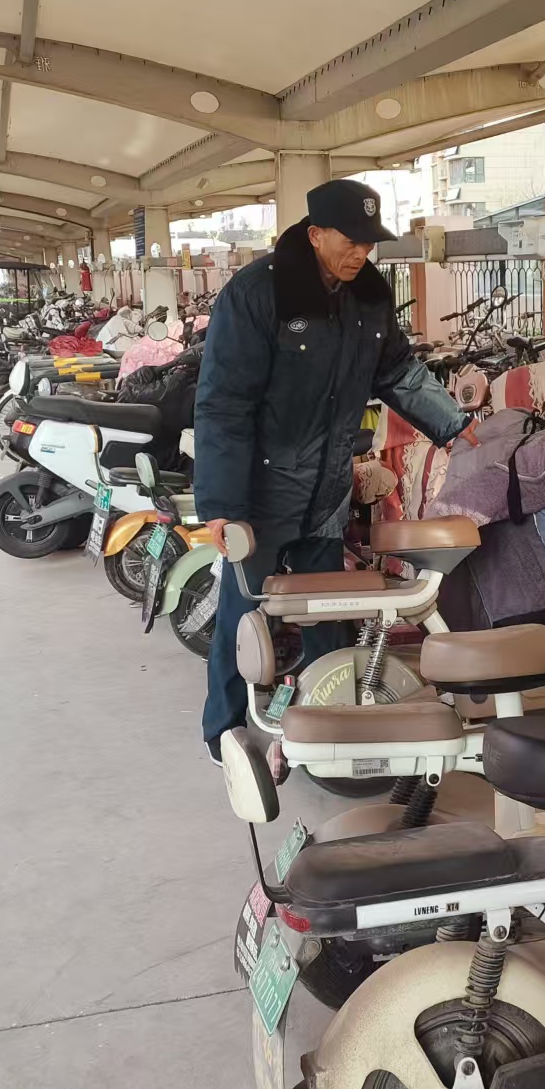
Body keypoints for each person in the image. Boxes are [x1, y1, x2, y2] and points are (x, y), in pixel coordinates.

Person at [193, 179, 473, 762]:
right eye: (351, 242)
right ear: (316, 234)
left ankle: (333, 721)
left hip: (327, 488)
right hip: (262, 492)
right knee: (245, 614)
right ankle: (226, 727)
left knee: (329, 610)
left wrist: (455, 425)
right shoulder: (258, 294)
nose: (361, 254)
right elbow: (223, 404)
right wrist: (220, 506)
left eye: (369, 244)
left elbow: (398, 371)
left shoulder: (368, 294)